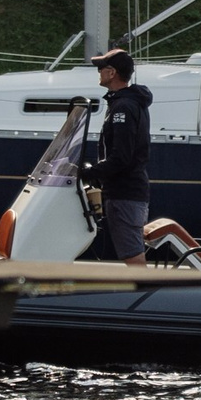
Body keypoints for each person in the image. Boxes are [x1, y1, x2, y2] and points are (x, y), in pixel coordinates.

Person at [81, 48, 152, 266]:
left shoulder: (123, 106)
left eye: (101, 69)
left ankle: (143, 294)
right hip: (124, 192)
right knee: (129, 250)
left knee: (131, 253)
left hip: (125, 193)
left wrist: (88, 173)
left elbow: (121, 157)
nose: (99, 72)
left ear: (112, 73)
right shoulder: (123, 102)